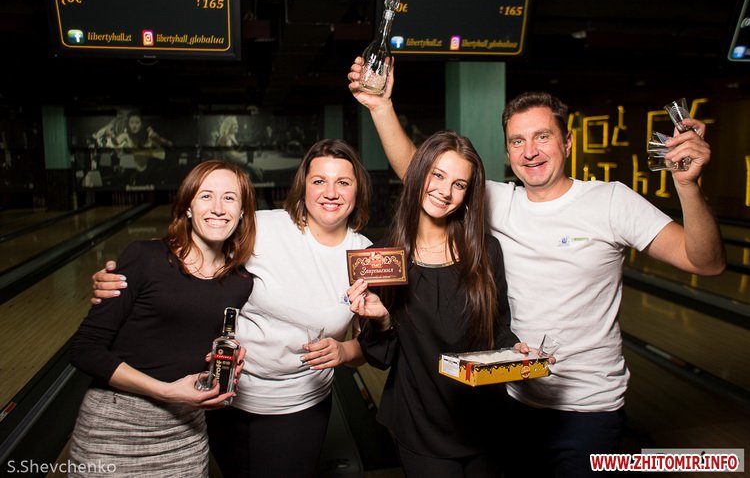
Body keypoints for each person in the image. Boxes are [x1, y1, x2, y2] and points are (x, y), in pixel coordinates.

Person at [347, 58, 726, 476]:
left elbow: (705, 262)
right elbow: (422, 174)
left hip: (588, 408)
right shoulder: (497, 202)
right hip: (513, 400)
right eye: (517, 141)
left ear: (567, 142)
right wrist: (381, 107)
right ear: (508, 150)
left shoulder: (611, 201)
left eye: (542, 136)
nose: (530, 151)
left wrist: (687, 187)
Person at [91, 139, 373, 477]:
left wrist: (344, 350)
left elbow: (371, 346)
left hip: (297, 406)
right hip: (222, 395)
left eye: (343, 182)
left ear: (358, 189)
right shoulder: (261, 227)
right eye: (319, 181)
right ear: (303, 186)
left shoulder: (366, 256)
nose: (330, 192)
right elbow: (194, 250)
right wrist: (128, 272)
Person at [347, 131, 529, 477]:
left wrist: (516, 352)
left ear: (468, 194)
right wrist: (381, 320)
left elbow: (498, 328)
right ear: (419, 174)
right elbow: (380, 358)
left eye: (459, 184)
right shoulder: (383, 261)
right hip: (421, 425)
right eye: (438, 175)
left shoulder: (486, 252)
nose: (445, 191)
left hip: (485, 421)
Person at [69, 160, 256, 477]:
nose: (218, 208)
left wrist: (221, 363)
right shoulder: (145, 257)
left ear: (241, 213)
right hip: (113, 429)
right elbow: (84, 349)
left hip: (185, 436)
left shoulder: (241, 283)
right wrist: (164, 391)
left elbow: (191, 340)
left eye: (229, 198)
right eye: (206, 196)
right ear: (187, 207)